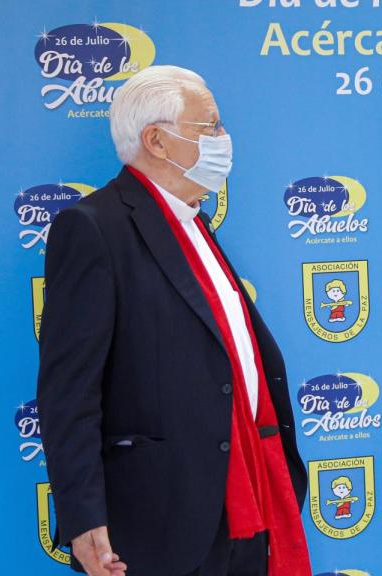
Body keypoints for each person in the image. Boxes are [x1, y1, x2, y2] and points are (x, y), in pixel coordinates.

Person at [37, 65, 311, 576]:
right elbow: (69, 391)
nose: (224, 140)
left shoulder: (195, 222)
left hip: (250, 494)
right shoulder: (95, 228)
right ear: (157, 141)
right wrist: (81, 516)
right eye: (210, 128)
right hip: (164, 516)